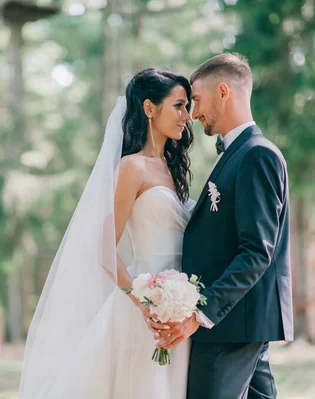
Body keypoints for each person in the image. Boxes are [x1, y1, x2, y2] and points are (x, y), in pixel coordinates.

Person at [19, 68, 195, 398]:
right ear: (149, 108)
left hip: (180, 308)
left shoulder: (173, 166)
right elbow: (103, 249)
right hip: (144, 307)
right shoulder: (132, 167)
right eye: (179, 105)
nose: (188, 116)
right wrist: (144, 302)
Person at [150, 53, 293, 399]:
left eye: (196, 100)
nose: (193, 113)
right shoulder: (236, 154)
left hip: (229, 327)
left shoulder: (257, 155)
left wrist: (200, 313)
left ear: (224, 92)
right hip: (240, 324)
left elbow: (257, 252)